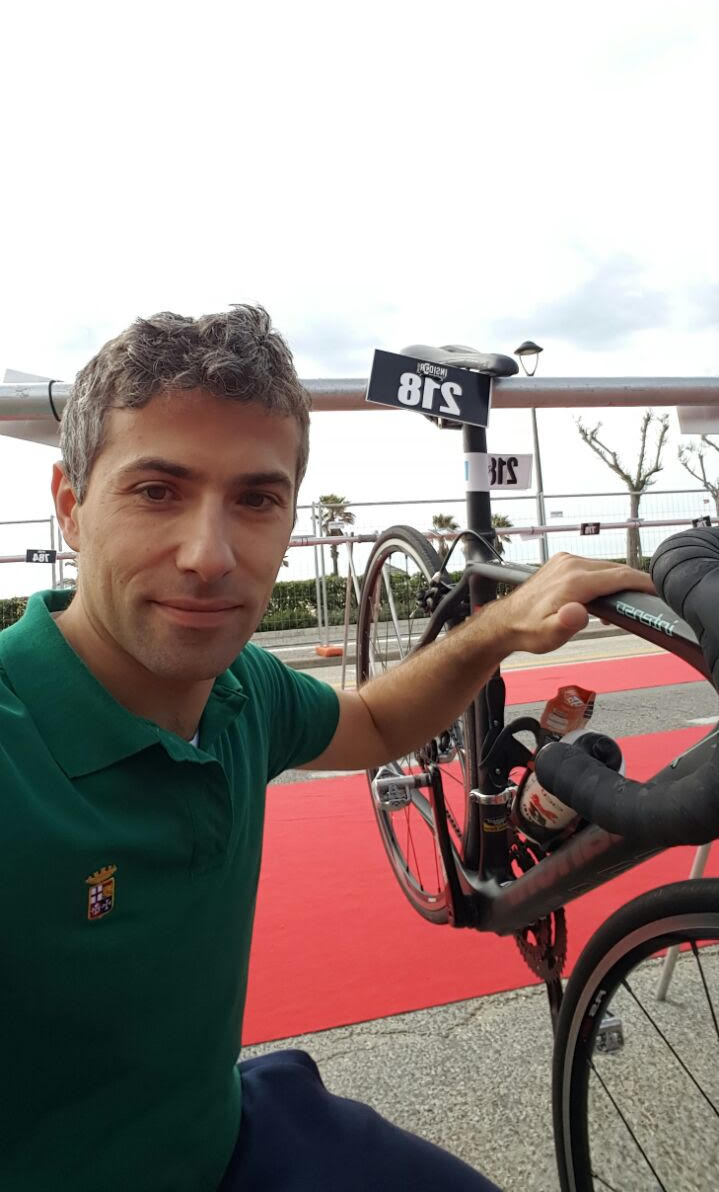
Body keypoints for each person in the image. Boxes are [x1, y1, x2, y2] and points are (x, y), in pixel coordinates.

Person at [0, 306, 654, 1192]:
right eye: (156, 491)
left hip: (224, 1134)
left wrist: (501, 624)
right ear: (70, 506)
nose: (208, 555)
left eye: (255, 499)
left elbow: (376, 723)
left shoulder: (244, 691)